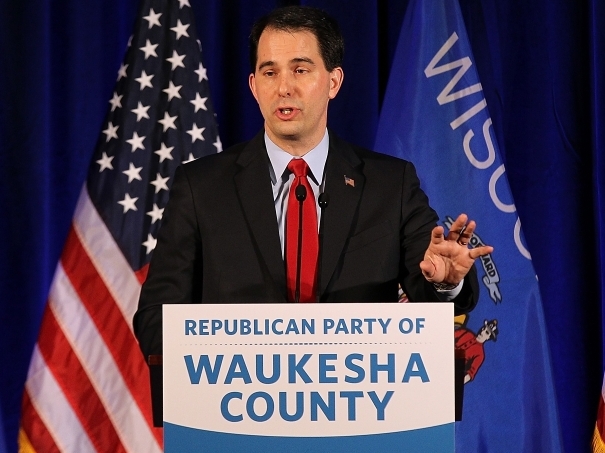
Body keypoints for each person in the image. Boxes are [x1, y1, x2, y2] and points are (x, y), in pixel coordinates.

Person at [133, 5, 493, 363]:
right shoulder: (201, 187)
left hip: (355, 393)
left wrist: (445, 281)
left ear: (333, 82)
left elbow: (431, 296)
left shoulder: (390, 185)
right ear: (254, 86)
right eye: (269, 72)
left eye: (300, 70)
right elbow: (154, 321)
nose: (283, 88)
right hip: (236, 393)